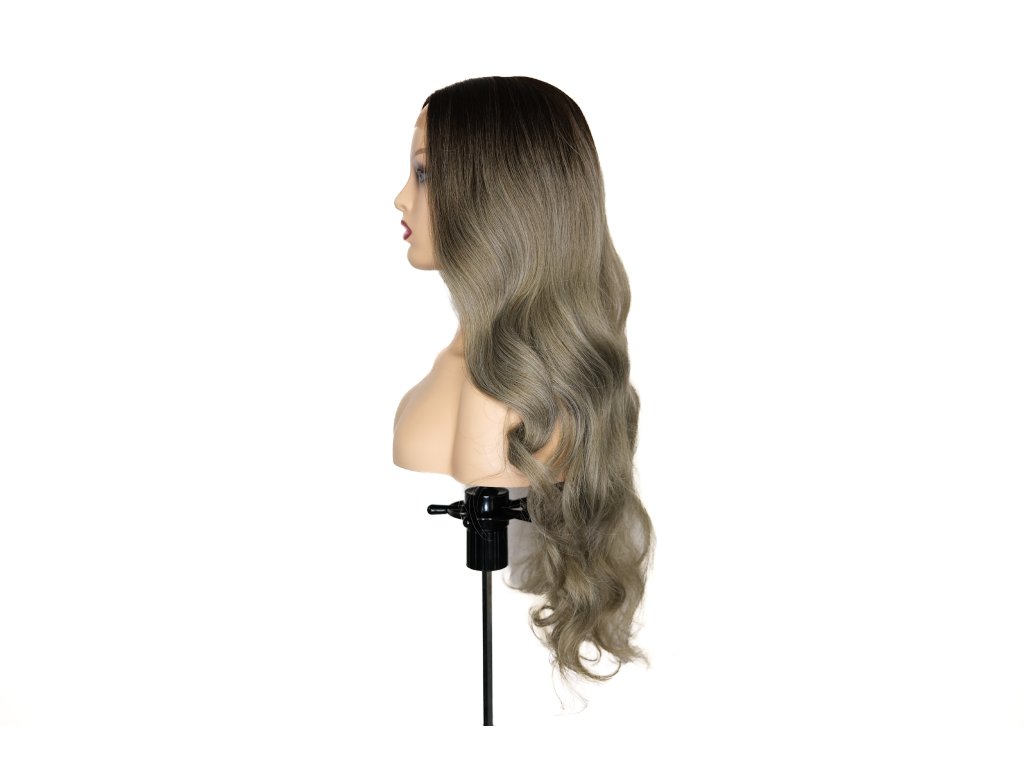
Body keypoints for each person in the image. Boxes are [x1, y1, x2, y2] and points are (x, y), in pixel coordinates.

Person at [392, 76, 654, 686]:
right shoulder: (464, 365)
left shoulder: (512, 394)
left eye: (423, 174)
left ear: (495, 199)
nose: (401, 198)